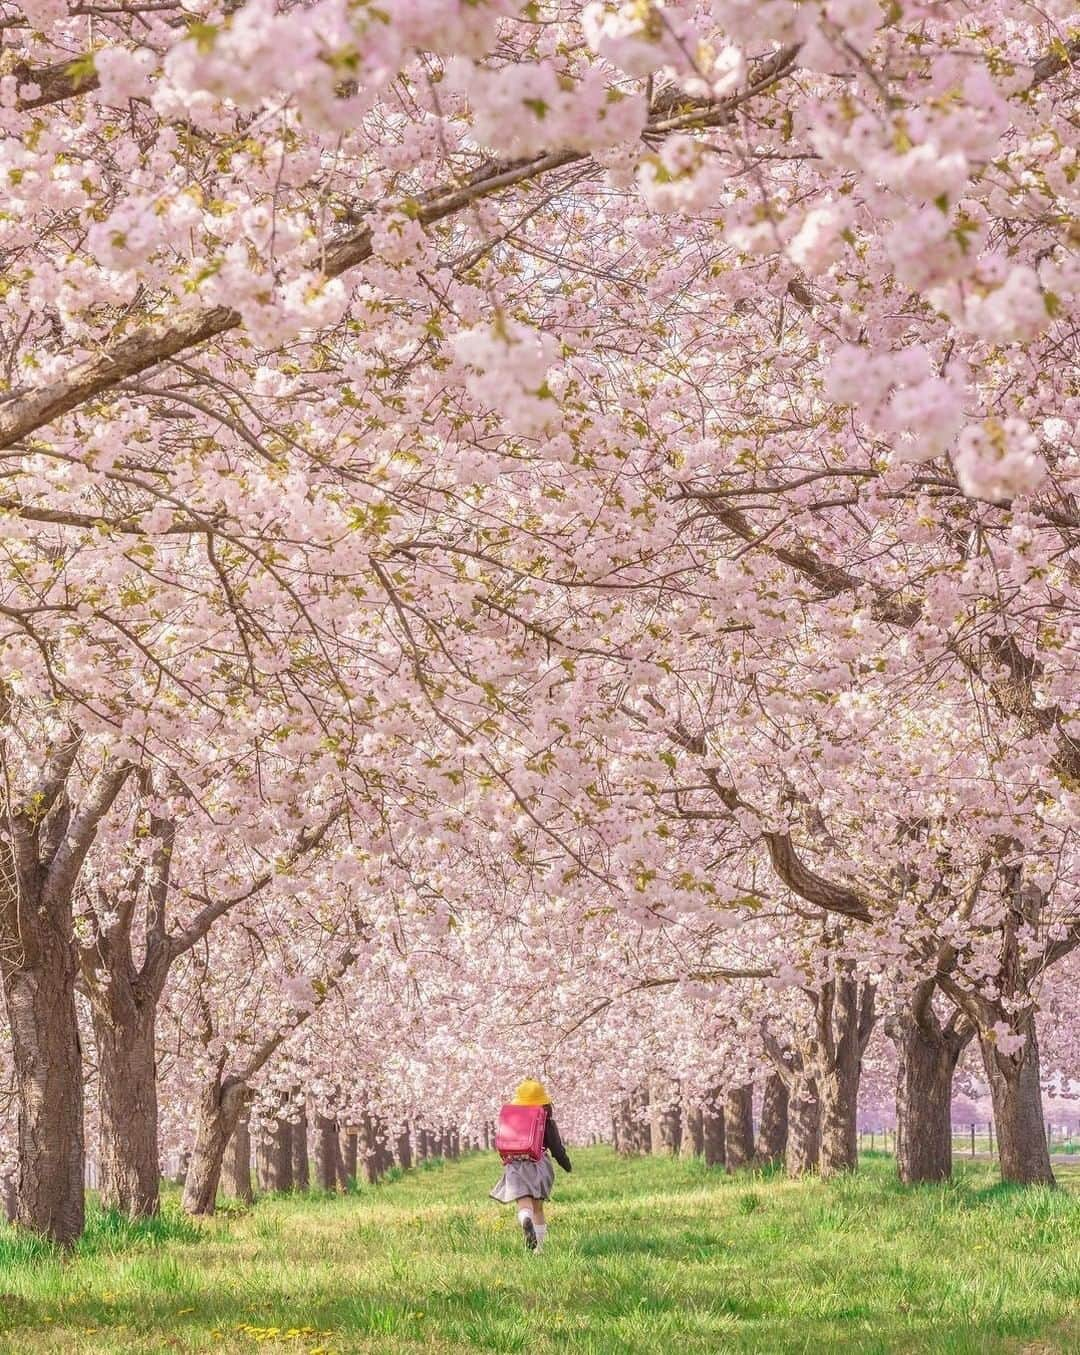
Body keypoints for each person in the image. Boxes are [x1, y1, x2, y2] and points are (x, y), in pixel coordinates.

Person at [489, 1079, 572, 1252]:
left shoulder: (511, 1118)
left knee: (524, 1204)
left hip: (514, 1165)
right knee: (538, 1209)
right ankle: (538, 1250)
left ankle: (525, 1219)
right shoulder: (546, 1121)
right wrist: (566, 1164)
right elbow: (556, 1148)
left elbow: (502, 1140)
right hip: (538, 1163)